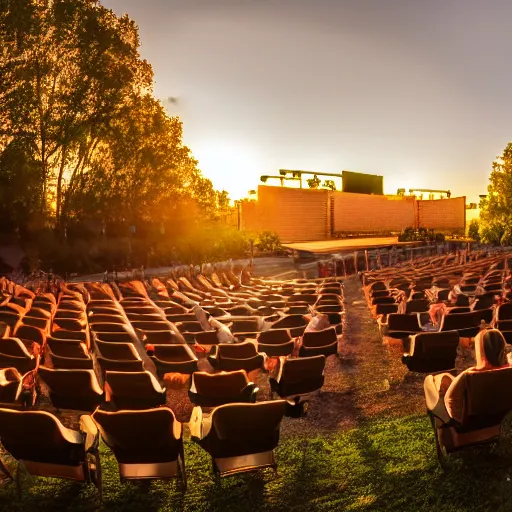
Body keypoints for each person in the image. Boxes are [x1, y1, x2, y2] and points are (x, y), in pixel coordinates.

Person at [424, 329, 509, 423]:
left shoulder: (468, 376)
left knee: (431, 381)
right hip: (502, 415)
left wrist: (463, 421)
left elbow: (451, 404)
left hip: (472, 423)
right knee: (445, 378)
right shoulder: (508, 370)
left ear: (480, 351)